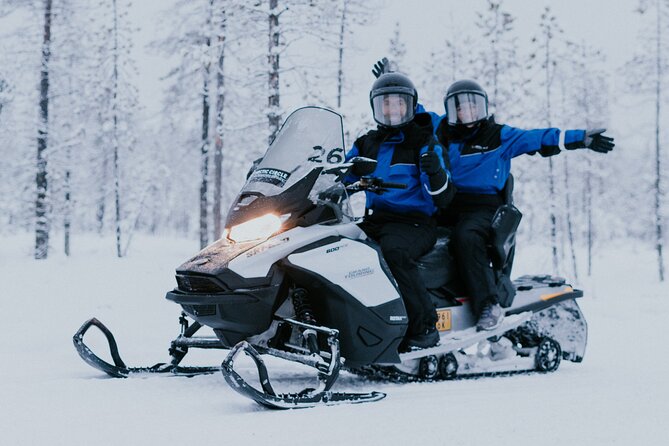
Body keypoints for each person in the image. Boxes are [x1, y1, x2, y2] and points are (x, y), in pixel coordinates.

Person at [372, 60, 614, 332]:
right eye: (460, 106)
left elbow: (539, 138)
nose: (467, 111)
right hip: (447, 202)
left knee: (466, 236)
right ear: (452, 110)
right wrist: (391, 82)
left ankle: (488, 304)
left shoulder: (499, 136)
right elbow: (414, 111)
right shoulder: (441, 130)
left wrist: (580, 138)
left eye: (473, 105)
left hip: (483, 207)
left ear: (483, 107)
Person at [346, 72, 455, 349]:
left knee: (395, 252)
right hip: (376, 220)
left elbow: (442, 198)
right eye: (385, 104)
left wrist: (435, 171)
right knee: (338, 247)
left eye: (398, 104)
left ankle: (424, 327)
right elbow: (341, 172)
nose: (392, 110)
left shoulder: (424, 142)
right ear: (375, 107)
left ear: (409, 106)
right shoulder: (367, 143)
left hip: (415, 223)